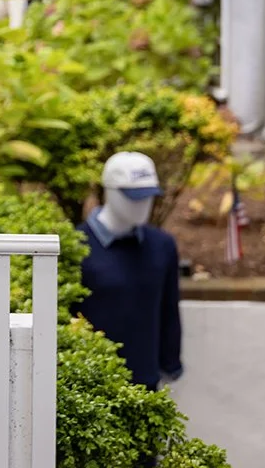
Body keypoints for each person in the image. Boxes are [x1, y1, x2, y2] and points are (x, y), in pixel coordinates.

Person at [74, 152, 183, 391]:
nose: (143, 205)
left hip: (146, 383)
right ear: (110, 192)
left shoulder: (162, 246)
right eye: (134, 197)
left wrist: (170, 364)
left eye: (148, 197)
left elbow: (169, 309)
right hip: (88, 387)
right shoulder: (76, 246)